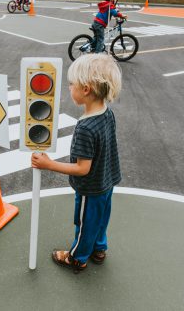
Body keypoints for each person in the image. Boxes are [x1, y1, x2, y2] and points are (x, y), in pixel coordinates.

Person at [32, 54, 122, 274]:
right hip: (107, 181)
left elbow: (83, 168)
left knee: (85, 224)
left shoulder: (85, 127)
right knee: (101, 218)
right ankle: (99, 249)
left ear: (86, 89)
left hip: (90, 188)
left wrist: (49, 164)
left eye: (72, 84)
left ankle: (77, 257)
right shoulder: (107, 114)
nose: (69, 88)